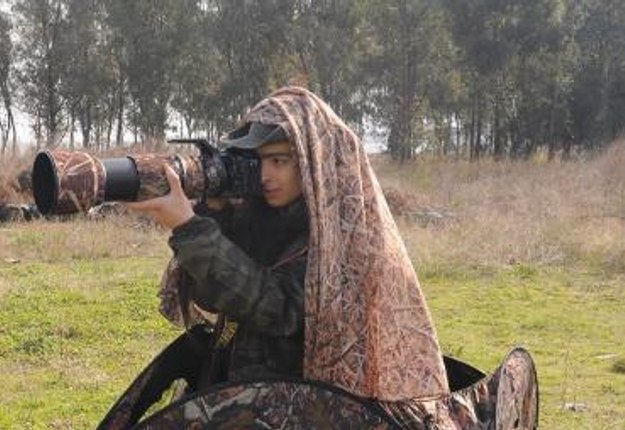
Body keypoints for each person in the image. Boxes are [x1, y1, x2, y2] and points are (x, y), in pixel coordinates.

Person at [127, 86, 449, 401]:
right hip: (244, 398)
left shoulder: (343, 239)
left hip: (304, 414)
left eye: (278, 161)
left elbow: (277, 310)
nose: (265, 175)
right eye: (259, 162)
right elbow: (211, 299)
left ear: (314, 163)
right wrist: (217, 214)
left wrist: (191, 229)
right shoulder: (261, 219)